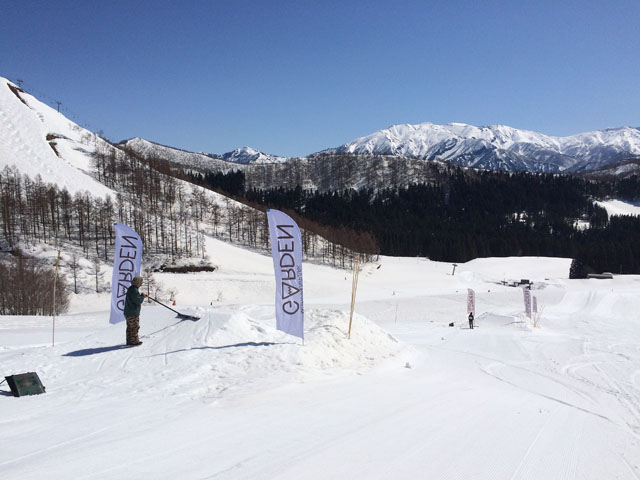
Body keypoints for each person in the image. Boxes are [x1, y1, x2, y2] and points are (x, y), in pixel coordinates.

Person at [124, 276, 147, 346]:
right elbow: (138, 300)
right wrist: (143, 296)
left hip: (129, 312)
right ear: (138, 282)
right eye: (141, 282)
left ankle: (129, 341)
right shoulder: (134, 290)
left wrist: (141, 295)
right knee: (135, 327)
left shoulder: (132, 288)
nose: (141, 283)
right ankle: (134, 341)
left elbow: (135, 298)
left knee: (130, 327)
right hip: (132, 312)